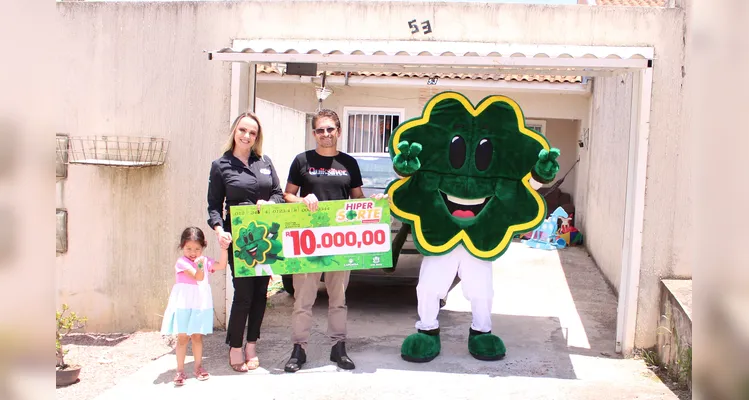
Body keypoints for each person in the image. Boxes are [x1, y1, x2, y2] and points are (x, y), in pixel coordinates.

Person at [282, 109, 385, 373]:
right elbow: (287, 195)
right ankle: (299, 348)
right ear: (314, 133)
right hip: (308, 240)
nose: (325, 134)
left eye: (330, 129)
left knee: (338, 298)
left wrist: (373, 204)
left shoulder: (349, 163)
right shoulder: (302, 160)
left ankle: (338, 347)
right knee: (303, 299)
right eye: (320, 130)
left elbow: (358, 198)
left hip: (340, 241)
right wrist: (303, 199)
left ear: (338, 131)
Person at [206, 111, 285, 372]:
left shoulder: (264, 161)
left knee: (261, 293)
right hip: (240, 238)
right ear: (234, 132)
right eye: (243, 130)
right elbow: (214, 206)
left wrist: (270, 202)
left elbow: (278, 193)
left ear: (257, 137)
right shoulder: (221, 165)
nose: (247, 136)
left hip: (266, 236)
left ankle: (252, 344)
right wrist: (219, 230)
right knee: (243, 294)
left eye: (252, 132)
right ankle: (235, 346)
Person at [160, 226, 228, 386]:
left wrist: (224, 248)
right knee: (183, 338)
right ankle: (180, 370)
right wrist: (199, 264)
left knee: (197, 337)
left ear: (203, 247)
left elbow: (222, 265)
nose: (193, 252)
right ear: (182, 246)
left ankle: (198, 367)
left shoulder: (204, 261)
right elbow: (198, 276)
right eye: (188, 248)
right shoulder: (181, 263)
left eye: (197, 249)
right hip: (184, 304)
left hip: (199, 305)